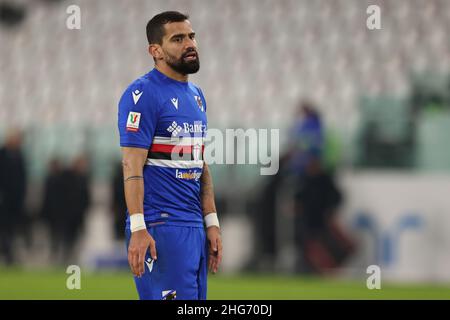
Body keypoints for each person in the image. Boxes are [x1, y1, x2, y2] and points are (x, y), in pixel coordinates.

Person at [117, 11, 222, 300]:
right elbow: (131, 163)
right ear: (156, 51)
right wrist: (138, 227)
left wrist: (211, 221)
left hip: (193, 227)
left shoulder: (197, 95)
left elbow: (199, 163)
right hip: (160, 227)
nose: (189, 43)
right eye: (178, 39)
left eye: (191, 36)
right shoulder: (142, 94)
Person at [0, 130, 27, 265]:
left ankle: (9, 255)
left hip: (15, 202)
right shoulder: (3, 155)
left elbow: (22, 180)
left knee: (10, 230)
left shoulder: (20, 156)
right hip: (3, 201)